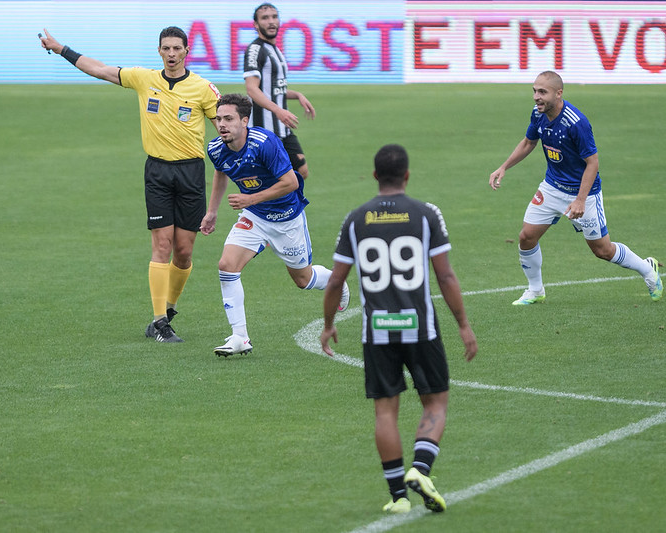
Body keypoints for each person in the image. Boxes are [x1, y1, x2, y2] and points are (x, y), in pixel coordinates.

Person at [320, 144, 477, 514]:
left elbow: (335, 282)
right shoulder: (425, 215)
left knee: (385, 413)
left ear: (375, 176)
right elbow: (446, 274)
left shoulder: (355, 219)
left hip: (376, 331)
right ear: (407, 175)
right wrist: (464, 324)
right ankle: (421, 469)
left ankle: (398, 499)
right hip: (420, 327)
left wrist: (328, 324)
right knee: (435, 400)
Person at [39, 27, 222, 342]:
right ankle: (160, 322)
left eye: (177, 48)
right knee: (161, 245)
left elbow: (226, 127)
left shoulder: (203, 89)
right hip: (158, 173)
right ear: (159, 51)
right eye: (166, 48)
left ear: (187, 50)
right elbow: (99, 69)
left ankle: (169, 308)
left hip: (191, 173)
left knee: (183, 251)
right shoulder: (144, 79)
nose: (172, 54)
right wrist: (60, 48)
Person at [489, 70, 662, 304]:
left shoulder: (576, 123)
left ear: (559, 93)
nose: (536, 97)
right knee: (527, 237)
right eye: (534, 91)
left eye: (542, 92)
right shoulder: (538, 114)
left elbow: (593, 163)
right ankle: (535, 290)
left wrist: (580, 199)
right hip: (551, 188)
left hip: (584, 193)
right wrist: (504, 167)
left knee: (603, 250)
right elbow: (529, 141)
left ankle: (647, 269)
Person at [200, 93, 348, 356]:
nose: (222, 124)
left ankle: (335, 280)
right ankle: (240, 337)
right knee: (227, 265)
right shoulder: (215, 148)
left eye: (229, 119)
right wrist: (212, 212)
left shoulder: (265, 142)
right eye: (219, 118)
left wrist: (250, 197)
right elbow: (221, 171)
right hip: (254, 217)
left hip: (286, 217)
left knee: (303, 280)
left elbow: (291, 182)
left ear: (244, 121)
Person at [244, 3, 316, 180]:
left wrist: (297, 95)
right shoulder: (255, 49)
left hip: (282, 128)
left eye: (274, 17)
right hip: (264, 129)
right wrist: (277, 110)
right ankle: (269, 206)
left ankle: (282, 205)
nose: (271, 22)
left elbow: (274, 88)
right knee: (277, 178)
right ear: (256, 24)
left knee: (300, 172)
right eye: (265, 18)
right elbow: (252, 88)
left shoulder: (275, 50)